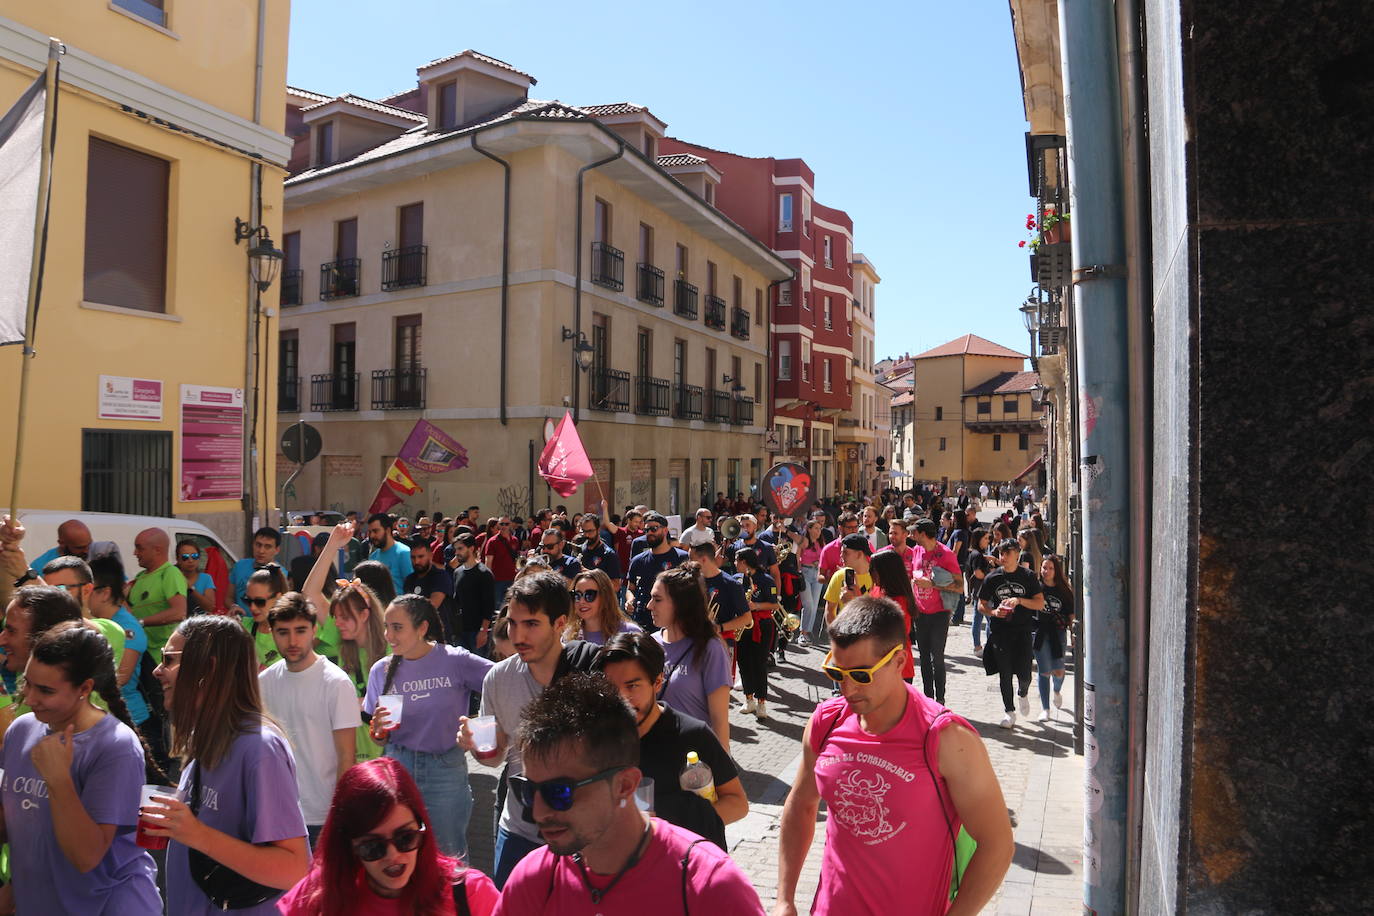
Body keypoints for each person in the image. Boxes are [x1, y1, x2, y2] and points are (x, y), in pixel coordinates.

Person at [772, 597, 1013, 916]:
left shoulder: (947, 738)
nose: (847, 688)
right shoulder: (825, 723)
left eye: (861, 675)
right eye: (836, 672)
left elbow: (996, 844)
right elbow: (801, 804)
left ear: (899, 661)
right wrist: (784, 899)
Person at [492, 673, 765, 914]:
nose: (538, 812)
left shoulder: (709, 886)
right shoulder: (534, 880)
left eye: (559, 792)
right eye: (527, 789)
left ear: (624, 785)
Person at [145, 615, 310, 914]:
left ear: (207, 669)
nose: (158, 671)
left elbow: (295, 868)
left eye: (169, 660)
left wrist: (197, 835)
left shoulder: (259, 748)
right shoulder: (206, 736)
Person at [0, 622, 165, 913]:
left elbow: (86, 856)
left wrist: (59, 781)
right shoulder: (22, 729)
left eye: (46, 690)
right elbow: (18, 824)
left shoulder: (115, 746)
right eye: (27, 682)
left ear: (85, 688)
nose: (30, 698)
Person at [456, 572, 601, 887]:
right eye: (512, 623)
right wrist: (477, 745)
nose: (518, 635)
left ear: (560, 623)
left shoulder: (589, 672)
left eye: (531, 624)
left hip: (580, 833)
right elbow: (495, 758)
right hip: (519, 831)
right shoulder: (497, 678)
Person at [277, 757, 498, 915]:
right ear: (349, 845)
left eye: (405, 838)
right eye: (373, 846)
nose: (393, 855)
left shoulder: (469, 893)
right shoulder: (320, 893)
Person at [362, 595, 492, 860]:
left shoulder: (455, 660)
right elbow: (378, 736)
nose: (389, 635)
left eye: (397, 627)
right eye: (386, 626)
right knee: (398, 853)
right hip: (396, 767)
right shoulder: (381, 670)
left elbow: (501, 682)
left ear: (422, 628)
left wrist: (483, 724)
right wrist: (377, 731)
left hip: (444, 770)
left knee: (448, 859)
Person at [594, 633, 746, 850]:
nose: (621, 699)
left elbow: (737, 804)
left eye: (632, 686)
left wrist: (670, 826)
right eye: (611, 688)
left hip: (689, 870)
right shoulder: (599, 741)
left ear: (657, 682)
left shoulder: (694, 735)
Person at [258, 593, 359, 846]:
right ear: (271, 633)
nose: (292, 640)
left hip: (323, 817)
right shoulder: (263, 683)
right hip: (276, 814)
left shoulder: (336, 683)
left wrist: (339, 815)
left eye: (300, 630)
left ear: (314, 630)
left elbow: (347, 757)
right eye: (283, 632)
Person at [649, 563, 731, 750]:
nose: (649, 606)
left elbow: (720, 721)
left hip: (695, 759)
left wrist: (724, 771)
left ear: (680, 604)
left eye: (657, 599)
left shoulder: (710, 648)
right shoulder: (650, 644)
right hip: (657, 754)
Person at [978, 539, 1045, 729]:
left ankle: (1022, 693)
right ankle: (1009, 712)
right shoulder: (993, 578)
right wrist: (993, 612)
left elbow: (1039, 603)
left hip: (1023, 631)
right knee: (1004, 673)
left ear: (1017, 554)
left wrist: (1019, 600)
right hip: (1000, 632)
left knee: (1024, 674)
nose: (1003, 557)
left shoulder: (1028, 576)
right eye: (1001, 553)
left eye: (1007, 553)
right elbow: (981, 604)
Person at [89, 556, 151, 735]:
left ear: (105, 593)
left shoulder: (128, 627)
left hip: (130, 721)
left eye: (88, 589)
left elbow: (121, 678)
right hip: (103, 717)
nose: (82, 594)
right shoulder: (96, 622)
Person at [910, 517, 963, 704]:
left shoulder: (946, 554)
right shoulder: (916, 550)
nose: (911, 535)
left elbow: (959, 586)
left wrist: (932, 584)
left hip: (940, 612)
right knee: (924, 657)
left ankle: (940, 699)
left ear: (923, 534)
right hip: (920, 612)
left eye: (914, 532)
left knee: (937, 658)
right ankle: (927, 698)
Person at [128, 528, 187, 664]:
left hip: (160, 658)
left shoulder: (170, 573)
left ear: (157, 550)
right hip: (140, 654)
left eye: (139, 548)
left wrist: (141, 622)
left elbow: (179, 612)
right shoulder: (139, 578)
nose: (135, 553)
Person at [733, 546, 778, 720]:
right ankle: (748, 699)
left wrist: (756, 606)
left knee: (759, 664)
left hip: (762, 625)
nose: (735, 564)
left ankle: (761, 703)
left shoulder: (766, 580)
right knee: (743, 662)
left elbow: (774, 605)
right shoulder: (737, 580)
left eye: (737, 561)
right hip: (743, 625)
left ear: (744, 562)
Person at [624, 513, 688, 631]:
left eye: (653, 529)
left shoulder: (682, 558)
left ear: (665, 530)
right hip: (643, 621)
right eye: (646, 530)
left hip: (673, 622)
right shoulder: (638, 560)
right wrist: (629, 600)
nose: (649, 533)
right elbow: (630, 588)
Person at [866, 549, 917, 685]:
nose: (870, 573)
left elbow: (893, 635)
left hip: (897, 667)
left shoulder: (900, 601)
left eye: (873, 570)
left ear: (886, 572)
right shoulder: (877, 589)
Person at [1035, 555, 1075, 722]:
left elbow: (1071, 614)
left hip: (1058, 632)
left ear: (1056, 571)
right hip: (1040, 631)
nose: (1047, 571)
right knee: (1044, 670)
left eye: (1050, 568)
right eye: (1044, 567)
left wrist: (1073, 633)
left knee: (1058, 670)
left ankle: (1057, 690)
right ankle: (1045, 709)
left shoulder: (1064, 591)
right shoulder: (1036, 587)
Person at [564, 569, 641, 646]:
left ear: (605, 596)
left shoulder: (630, 633)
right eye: (577, 595)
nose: (581, 601)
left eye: (589, 595)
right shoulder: (569, 635)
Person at [403, 539, 456, 645]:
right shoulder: (409, 579)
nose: (416, 561)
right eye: (413, 557)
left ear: (430, 556)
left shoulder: (441, 576)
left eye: (421, 557)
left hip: (439, 638)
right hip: (416, 638)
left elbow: (432, 605)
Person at [450, 531, 495, 653]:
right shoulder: (457, 572)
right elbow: (457, 601)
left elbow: (489, 606)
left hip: (477, 631)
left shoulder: (484, 574)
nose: (457, 552)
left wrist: (483, 631)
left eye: (460, 548)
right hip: (461, 630)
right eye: (456, 549)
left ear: (471, 548)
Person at [242, 565, 289, 668]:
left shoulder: (291, 633)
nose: (252, 607)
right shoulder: (242, 627)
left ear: (278, 598)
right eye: (248, 600)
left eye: (259, 602)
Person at [822, 533, 873, 627]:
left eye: (845, 552)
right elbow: (829, 611)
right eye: (841, 552)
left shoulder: (877, 577)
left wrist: (854, 601)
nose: (841, 556)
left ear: (859, 554)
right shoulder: (839, 576)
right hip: (846, 636)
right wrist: (836, 636)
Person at [230, 527, 283, 614]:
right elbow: (228, 597)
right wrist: (234, 606)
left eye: (267, 547)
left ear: (277, 550)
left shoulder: (280, 573)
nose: (261, 551)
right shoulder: (239, 566)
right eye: (258, 545)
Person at [366, 515, 414, 597]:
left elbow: (411, 586)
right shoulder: (373, 557)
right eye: (370, 532)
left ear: (387, 530)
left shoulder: (403, 553)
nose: (372, 536)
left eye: (375, 531)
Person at [481, 516, 521, 612]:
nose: (504, 526)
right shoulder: (492, 541)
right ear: (498, 525)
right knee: (497, 610)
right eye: (501, 524)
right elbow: (488, 562)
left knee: (511, 608)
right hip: (497, 581)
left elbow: (517, 560)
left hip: (512, 579)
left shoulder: (515, 540)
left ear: (510, 525)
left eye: (506, 524)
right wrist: (488, 581)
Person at [796, 520, 825, 647]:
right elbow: (798, 558)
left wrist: (818, 563)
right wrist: (798, 572)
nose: (819, 531)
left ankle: (807, 632)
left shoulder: (821, 542)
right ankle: (803, 633)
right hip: (805, 573)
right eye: (816, 528)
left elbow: (824, 557)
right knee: (808, 604)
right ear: (809, 529)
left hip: (817, 574)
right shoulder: (803, 541)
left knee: (814, 605)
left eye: (820, 528)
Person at [965, 528, 993, 655]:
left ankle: (978, 646)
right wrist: (991, 573)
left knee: (978, 619)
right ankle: (987, 646)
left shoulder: (976, 553)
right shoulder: (977, 555)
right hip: (982, 592)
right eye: (985, 538)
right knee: (990, 619)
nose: (988, 541)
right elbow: (978, 574)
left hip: (978, 591)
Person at [176, 540, 218, 615]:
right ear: (178, 559)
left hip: (198, 624)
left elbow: (210, 607)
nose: (190, 560)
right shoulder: (172, 577)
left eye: (194, 556)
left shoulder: (206, 578)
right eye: (185, 557)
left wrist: (190, 589)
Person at [817, 512, 861, 583]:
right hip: (837, 591)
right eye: (850, 528)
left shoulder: (865, 545)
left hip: (861, 590)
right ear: (840, 528)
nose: (854, 530)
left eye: (856, 527)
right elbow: (820, 577)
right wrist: (836, 576)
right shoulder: (828, 549)